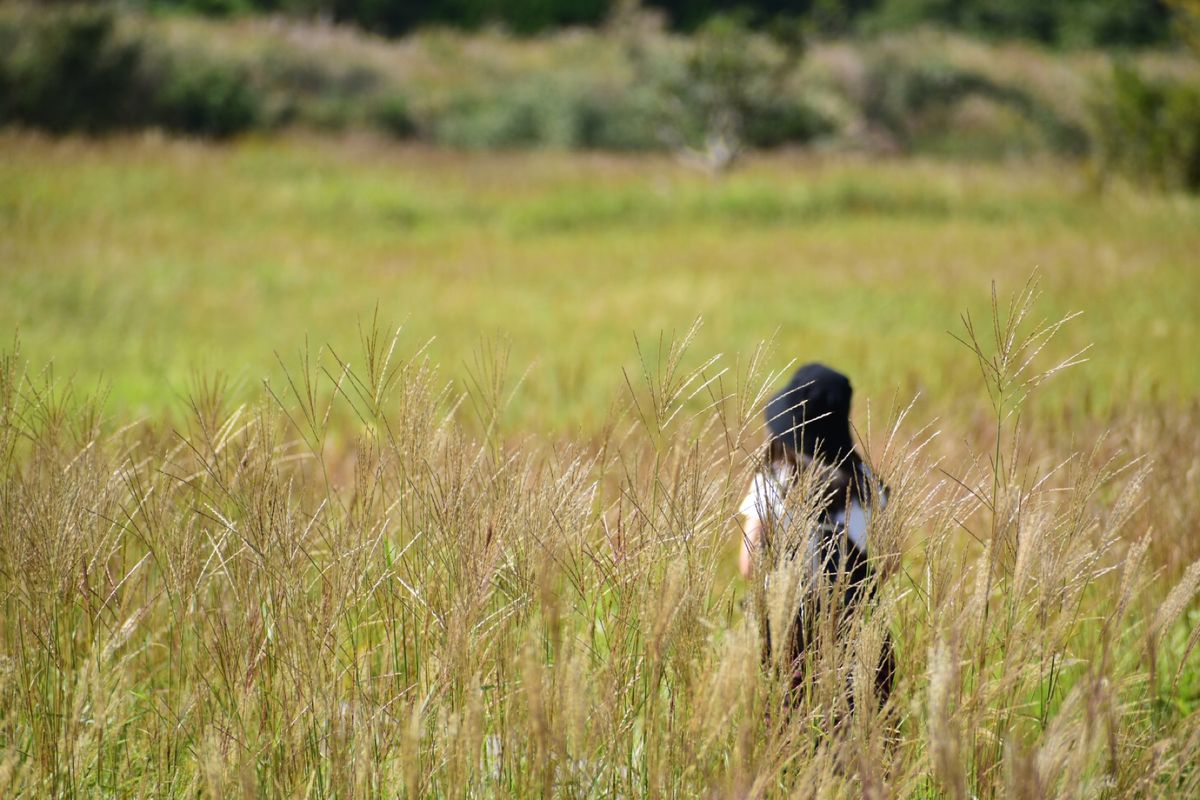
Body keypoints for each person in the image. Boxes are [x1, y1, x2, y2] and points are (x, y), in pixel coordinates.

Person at [738, 362, 893, 704]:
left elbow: (750, 564)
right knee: (858, 738)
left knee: (790, 734)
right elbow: (889, 564)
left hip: (787, 633)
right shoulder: (870, 485)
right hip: (859, 637)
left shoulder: (774, 480)